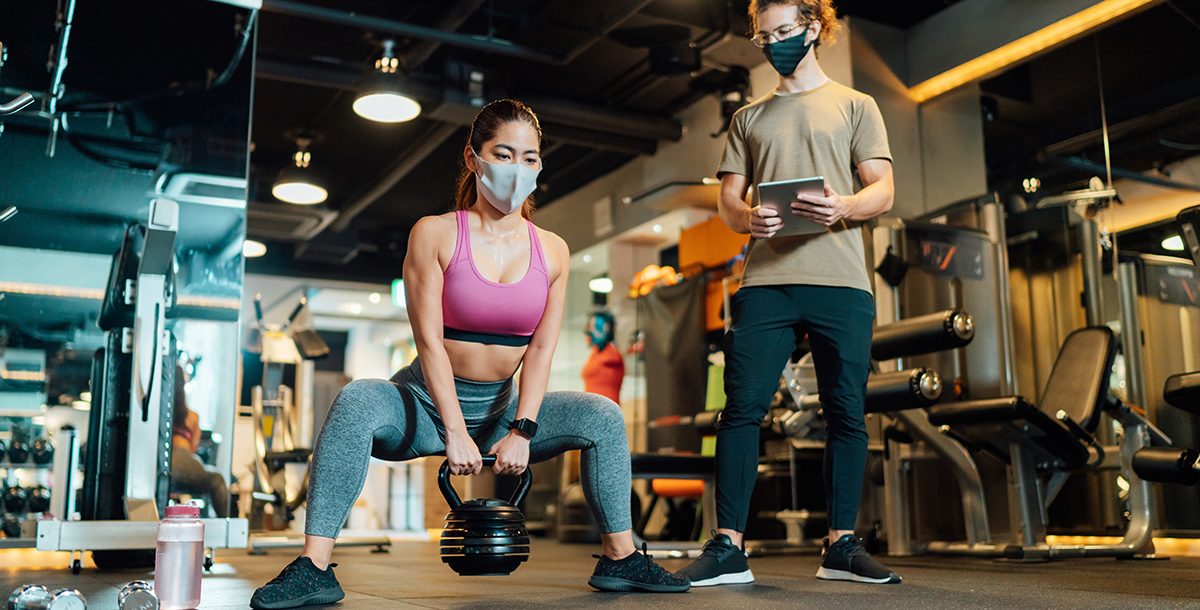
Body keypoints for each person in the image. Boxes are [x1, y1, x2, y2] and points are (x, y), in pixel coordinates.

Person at [250, 99, 688, 610]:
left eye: (530, 158)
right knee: (357, 400)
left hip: (503, 409)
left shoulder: (553, 251)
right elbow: (429, 342)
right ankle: (314, 567)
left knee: (603, 416)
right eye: (504, 154)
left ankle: (620, 557)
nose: (517, 168)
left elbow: (543, 347)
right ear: (473, 158)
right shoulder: (434, 233)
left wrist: (522, 429)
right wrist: (454, 430)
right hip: (426, 405)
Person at [679, 0, 900, 587]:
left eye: (784, 31)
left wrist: (844, 205)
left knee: (847, 415)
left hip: (842, 280)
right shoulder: (748, 119)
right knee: (741, 411)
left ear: (814, 28)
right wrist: (745, 217)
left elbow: (883, 189)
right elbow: (730, 199)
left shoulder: (857, 105)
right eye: (764, 34)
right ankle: (728, 546)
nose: (774, 42)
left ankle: (841, 545)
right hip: (766, 282)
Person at [169, 366, 230, 518]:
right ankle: (227, 525)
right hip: (183, 460)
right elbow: (193, 448)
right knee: (217, 480)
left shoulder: (161, 412)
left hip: (164, 462)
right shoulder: (192, 417)